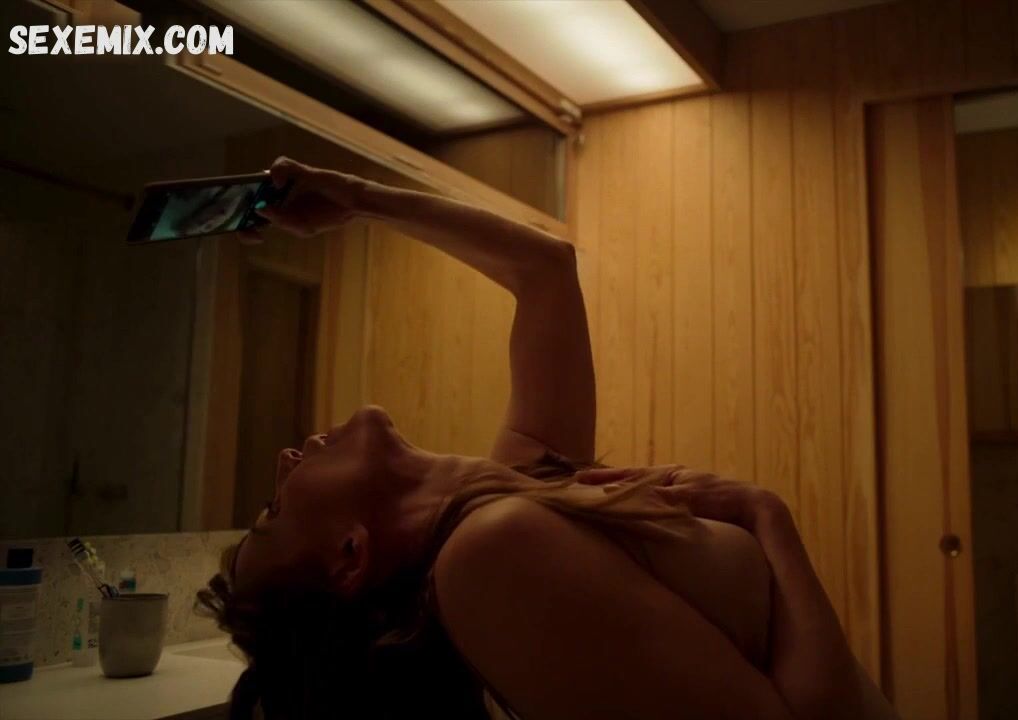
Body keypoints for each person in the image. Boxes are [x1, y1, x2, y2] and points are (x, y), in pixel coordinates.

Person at [199, 157, 897, 720]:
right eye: (275, 508)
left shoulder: (514, 488)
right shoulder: (490, 553)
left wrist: (357, 200)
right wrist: (770, 519)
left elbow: (544, 270)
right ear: (351, 555)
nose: (284, 459)